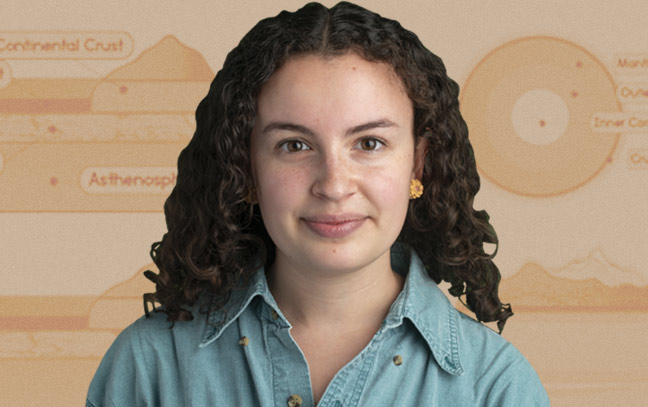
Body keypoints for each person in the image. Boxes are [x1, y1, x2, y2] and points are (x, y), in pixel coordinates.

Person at [87, 2, 549, 406]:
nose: (333, 184)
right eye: (294, 145)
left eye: (369, 143)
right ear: (245, 168)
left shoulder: (496, 389)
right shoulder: (148, 369)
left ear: (418, 164)